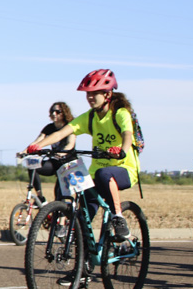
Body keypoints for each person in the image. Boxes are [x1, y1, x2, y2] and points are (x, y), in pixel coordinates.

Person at [27, 69, 140, 245]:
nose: (90, 97)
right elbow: (61, 133)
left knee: (105, 174)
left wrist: (122, 150)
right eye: (88, 94)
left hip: (124, 169)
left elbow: (127, 134)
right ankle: (85, 264)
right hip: (95, 174)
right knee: (82, 217)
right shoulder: (90, 117)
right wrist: (37, 146)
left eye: (95, 93)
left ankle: (118, 218)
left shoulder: (120, 113)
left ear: (107, 94)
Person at [24, 101, 77, 203]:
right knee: (33, 166)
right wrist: (24, 151)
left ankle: (62, 217)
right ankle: (40, 198)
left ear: (64, 113)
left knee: (59, 194)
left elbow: (70, 143)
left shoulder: (69, 127)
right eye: (52, 111)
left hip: (67, 164)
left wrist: (63, 153)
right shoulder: (49, 127)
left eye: (57, 111)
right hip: (55, 162)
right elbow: (37, 141)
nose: (54, 114)